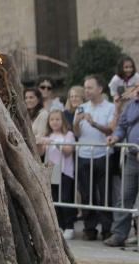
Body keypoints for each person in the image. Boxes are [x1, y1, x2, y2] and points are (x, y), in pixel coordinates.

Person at [74, 75, 116, 241]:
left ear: (100, 89)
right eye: (85, 88)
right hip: (84, 155)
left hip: (103, 156)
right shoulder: (81, 108)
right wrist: (76, 122)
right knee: (86, 194)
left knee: (105, 193)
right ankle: (89, 228)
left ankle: (106, 228)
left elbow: (111, 130)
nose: (87, 91)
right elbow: (77, 133)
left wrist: (94, 124)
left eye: (90, 88)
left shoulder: (110, 107)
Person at [104, 87, 139, 247]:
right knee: (124, 197)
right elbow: (122, 125)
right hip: (132, 157)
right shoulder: (130, 105)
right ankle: (119, 234)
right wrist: (116, 137)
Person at [36, 109, 76, 240]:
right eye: (52, 119)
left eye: (57, 119)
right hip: (52, 171)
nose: (54, 122)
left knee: (65, 198)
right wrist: (41, 143)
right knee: (54, 199)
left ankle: (69, 226)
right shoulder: (47, 135)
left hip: (65, 171)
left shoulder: (68, 134)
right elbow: (41, 153)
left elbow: (68, 150)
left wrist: (56, 143)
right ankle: (59, 225)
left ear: (62, 121)